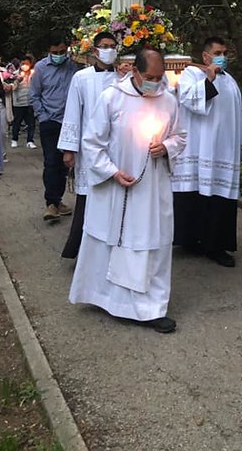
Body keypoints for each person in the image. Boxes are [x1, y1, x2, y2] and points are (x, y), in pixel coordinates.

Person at [69, 48, 186, 333]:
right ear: (134, 72)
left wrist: (166, 147)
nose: (155, 83)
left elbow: (180, 136)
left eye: (160, 78)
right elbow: (93, 141)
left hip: (152, 189)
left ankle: (151, 308)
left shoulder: (168, 101)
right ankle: (107, 298)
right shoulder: (111, 97)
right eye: (150, 77)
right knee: (114, 239)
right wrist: (111, 171)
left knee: (151, 243)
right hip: (117, 187)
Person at [171, 36, 242, 267]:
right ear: (206, 56)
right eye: (218, 52)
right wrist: (208, 78)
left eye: (225, 52)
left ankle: (216, 247)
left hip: (223, 150)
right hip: (199, 149)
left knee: (219, 200)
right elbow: (188, 99)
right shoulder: (192, 75)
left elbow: (238, 115)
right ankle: (190, 241)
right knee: (194, 198)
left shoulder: (230, 81)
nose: (223, 57)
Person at [59, 31, 120, 258]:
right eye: (105, 45)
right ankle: (83, 252)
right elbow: (73, 114)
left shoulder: (123, 77)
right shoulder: (82, 78)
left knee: (113, 198)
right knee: (89, 199)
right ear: (95, 51)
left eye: (113, 46)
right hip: (89, 148)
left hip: (116, 147)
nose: (109, 50)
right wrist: (69, 149)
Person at [30, 34, 81, 221]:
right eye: (55, 53)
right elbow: (34, 95)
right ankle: (51, 202)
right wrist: (42, 117)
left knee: (65, 164)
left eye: (62, 51)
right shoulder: (41, 68)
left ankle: (58, 200)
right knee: (51, 161)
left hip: (70, 122)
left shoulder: (75, 66)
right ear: (48, 52)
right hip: (50, 121)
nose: (59, 55)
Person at [10, 55, 36, 148]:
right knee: (17, 122)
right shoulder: (15, 74)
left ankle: (30, 141)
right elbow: (12, 87)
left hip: (30, 102)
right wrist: (17, 81)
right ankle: (14, 139)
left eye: (27, 64)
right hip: (18, 102)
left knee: (31, 123)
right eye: (23, 63)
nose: (25, 65)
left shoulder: (34, 74)